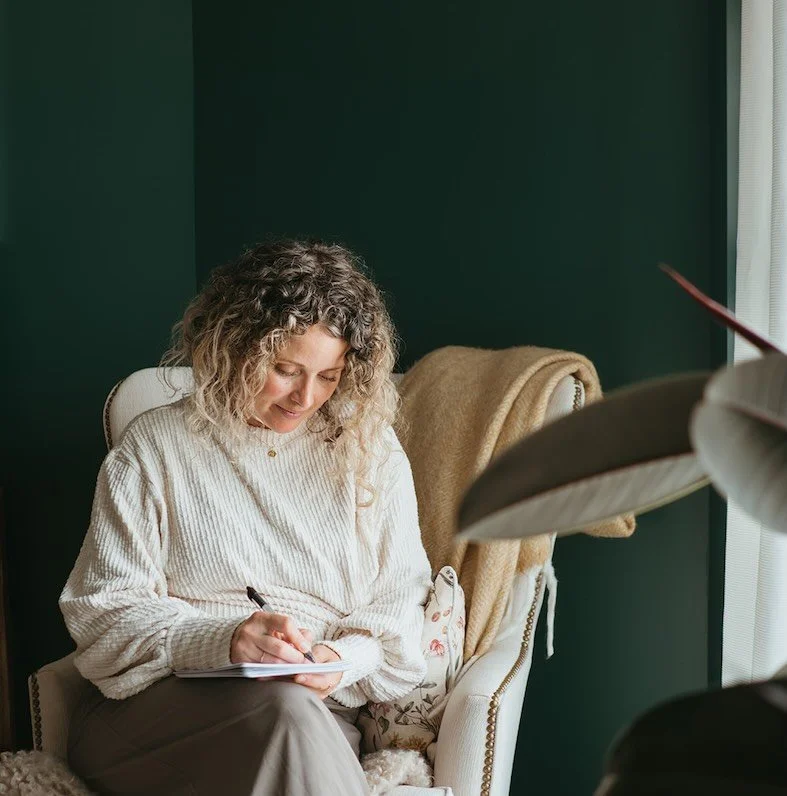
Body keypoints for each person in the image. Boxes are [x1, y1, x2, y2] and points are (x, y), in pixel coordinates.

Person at [60, 240, 432, 796]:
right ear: (234, 347)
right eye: (285, 370)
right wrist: (224, 639)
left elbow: (400, 603)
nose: (305, 397)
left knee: (291, 714)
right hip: (155, 716)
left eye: (329, 376)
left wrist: (338, 658)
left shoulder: (368, 449)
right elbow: (102, 614)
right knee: (286, 715)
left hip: (315, 718)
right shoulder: (156, 447)